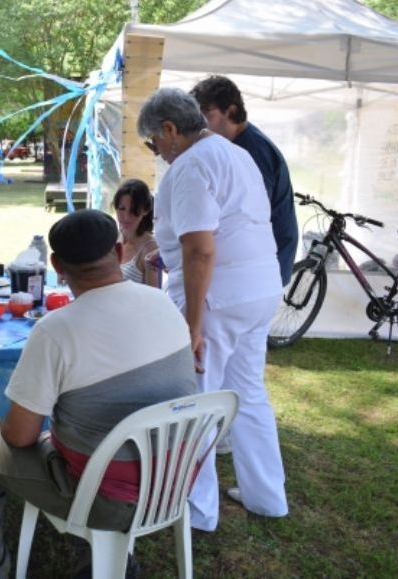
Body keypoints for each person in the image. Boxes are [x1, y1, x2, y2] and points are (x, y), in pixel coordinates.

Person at [0, 209, 197, 579]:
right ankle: (110, 560)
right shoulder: (164, 303)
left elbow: (19, 436)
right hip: (172, 480)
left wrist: (48, 436)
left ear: (56, 265)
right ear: (120, 253)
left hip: (107, 497)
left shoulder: (56, 330)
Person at [137, 87, 289, 532]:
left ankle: (198, 512)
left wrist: (192, 325)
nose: (157, 153)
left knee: (197, 402)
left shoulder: (190, 164)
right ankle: (267, 496)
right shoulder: (234, 152)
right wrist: (168, 253)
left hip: (219, 297)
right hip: (259, 288)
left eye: (154, 143)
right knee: (248, 393)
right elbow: (224, 228)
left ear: (170, 130)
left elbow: (202, 250)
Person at [190, 75, 298, 286]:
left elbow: (248, 211)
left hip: (266, 262)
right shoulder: (234, 145)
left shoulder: (253, 148)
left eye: (205, 115)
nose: (199, 124)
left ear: (230, 112)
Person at [112, 178, 160, 287]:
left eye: (134, 211)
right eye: (122, 208)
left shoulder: (150, 250)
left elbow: (153, 298)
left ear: (145, 210)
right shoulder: (113, 238)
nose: (126, 217)